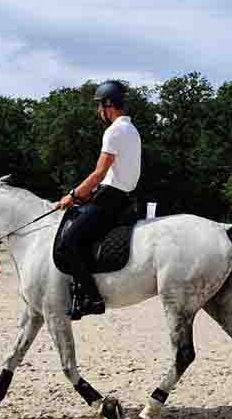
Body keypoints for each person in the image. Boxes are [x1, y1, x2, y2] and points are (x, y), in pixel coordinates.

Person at [54, 80, 141, 320]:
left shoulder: (113, 131)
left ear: (108, 105)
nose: (98, 112)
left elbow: (99, 173)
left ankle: (92, 297)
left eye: (99, 106)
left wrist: (72, 195)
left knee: (70, 240)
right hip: (124, 197)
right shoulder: (132, 130)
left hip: (110, 200)